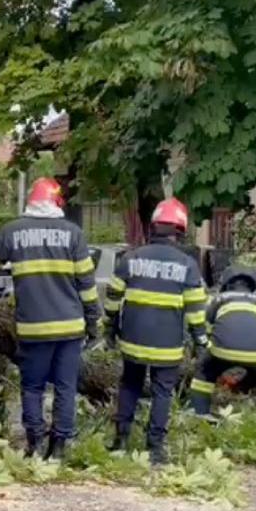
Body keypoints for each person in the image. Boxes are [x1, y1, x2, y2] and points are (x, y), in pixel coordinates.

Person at [0, 178, 101, 460]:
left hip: (33, 327)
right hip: (70, 328)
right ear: (57, 203)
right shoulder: (74, 235)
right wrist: (94, 321)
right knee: (65, 387)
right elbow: (87, 285)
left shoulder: (12, 232)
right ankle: (59, 448)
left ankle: (34, 444)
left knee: (33, 387)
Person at [103, 197, 208, 465]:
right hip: (167, 346)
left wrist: (110, 327)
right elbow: (196, 312)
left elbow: (113, 296)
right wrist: (201, 342)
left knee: (130, 386)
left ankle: (121, 439)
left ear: (153, 227)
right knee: (163, 392)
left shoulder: (131, 258)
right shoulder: (188, 265)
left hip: (133, 341)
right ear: (180, 230)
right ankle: (155, 449)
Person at [188, 265, 256, 415]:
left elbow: (204, 332)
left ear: (226, 285)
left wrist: (199, 357)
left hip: (222, 352)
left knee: (204, 374)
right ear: (254, 286)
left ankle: (199, 413)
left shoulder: (218, 300)